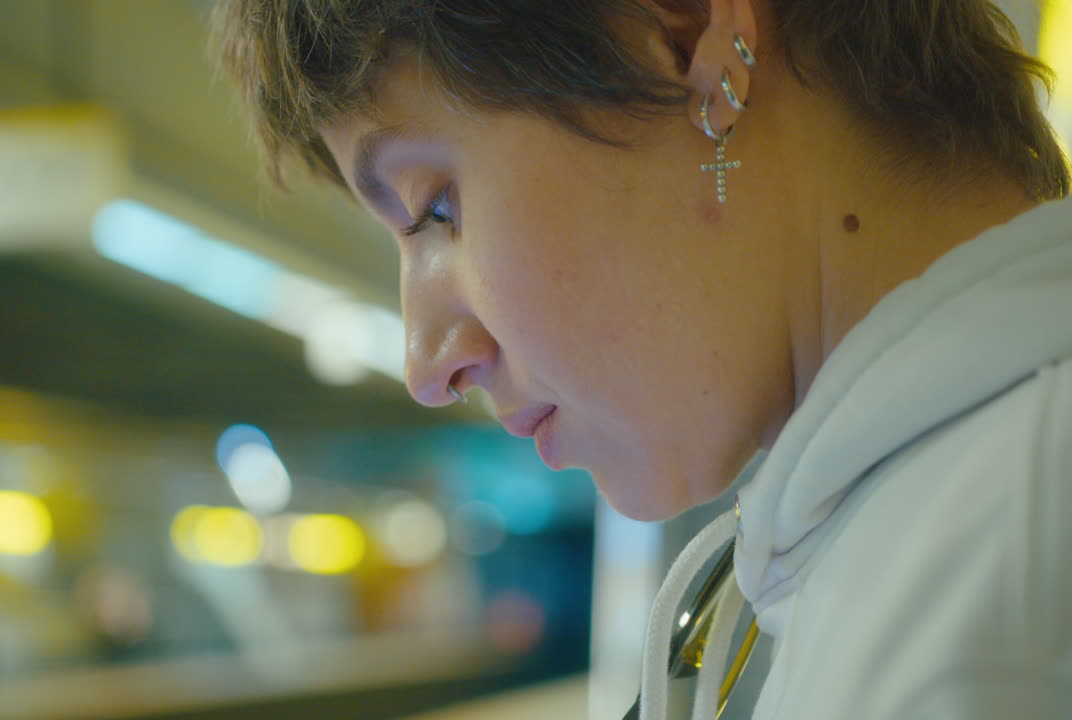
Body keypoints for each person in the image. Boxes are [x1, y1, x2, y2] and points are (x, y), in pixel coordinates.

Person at [214, 1, 1072, 717]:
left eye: (437, 207)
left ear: (685, 34)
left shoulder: (1002, 581)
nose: (428, 366)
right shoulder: (900, 528)